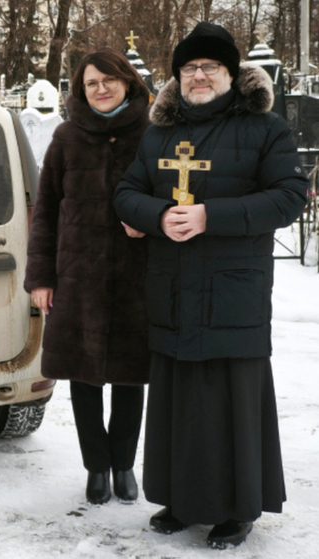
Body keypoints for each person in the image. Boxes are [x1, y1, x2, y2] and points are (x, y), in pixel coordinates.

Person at [113, 22, 308, 548]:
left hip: (232, 291)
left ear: (230, 73)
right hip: (173, 289)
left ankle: (235, 509)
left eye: (210, 67)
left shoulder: (265, 128)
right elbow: (127, 192)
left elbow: (290, 195)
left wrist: (208, 216)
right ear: (178, 77)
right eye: (190, 68)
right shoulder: (157, 133)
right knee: (177, 399)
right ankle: (180, 500)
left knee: (231, 402)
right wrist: (156, 215)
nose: (199, 76)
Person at [24, 48, 151, 506]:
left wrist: (150, 222)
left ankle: (124, 464)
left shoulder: (152, 134)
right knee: (84, 376)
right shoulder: (65, 137)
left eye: (109, 80)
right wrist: (40, 277)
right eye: (91, 83)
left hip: (136, 276)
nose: (101, 89)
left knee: (131, 377)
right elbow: (46, 213)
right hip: (77, 276)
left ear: (127, 81)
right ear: (80, 90)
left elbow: (173, 198)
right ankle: (96, 466)